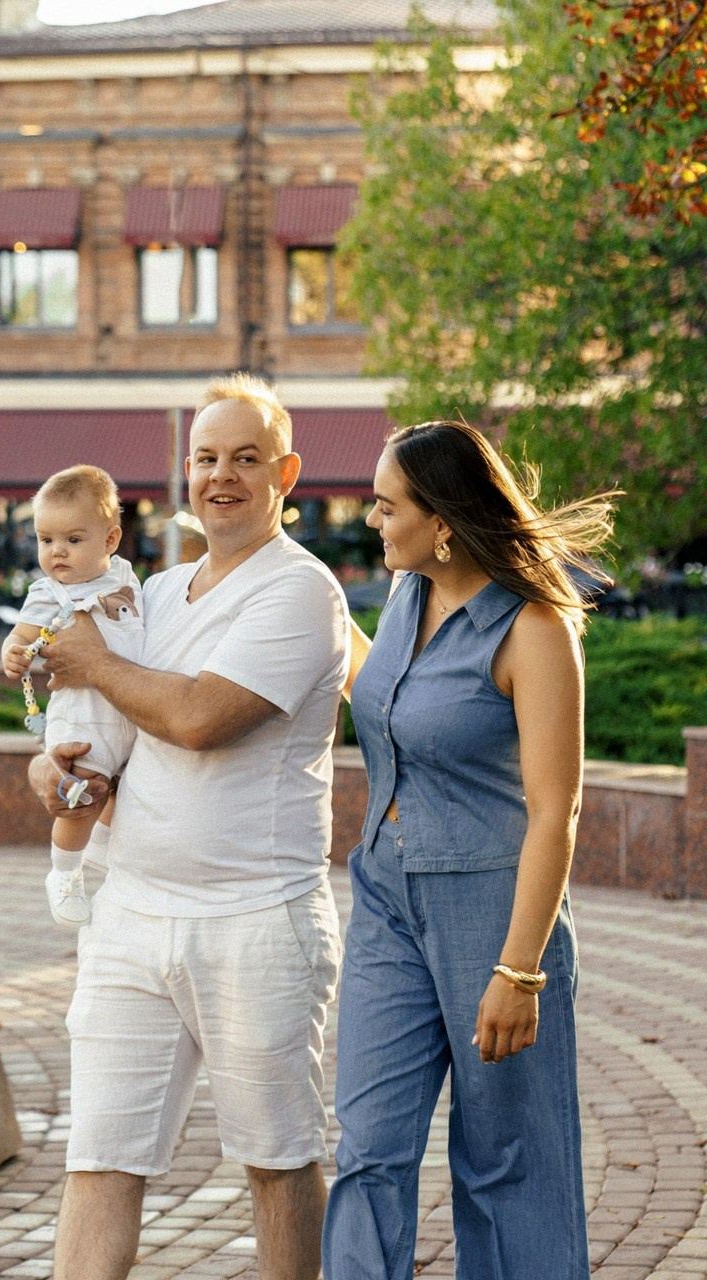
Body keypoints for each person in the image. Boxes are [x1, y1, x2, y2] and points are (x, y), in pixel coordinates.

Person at [30, 372, 350, 1280]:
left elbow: (203, 717)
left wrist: (89, 661)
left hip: (257, 920)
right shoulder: (156, 594)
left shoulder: (300, 592)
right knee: (98, 1157)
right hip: (129, 916)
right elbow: (106, 730)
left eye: (246, 459)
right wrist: (52, 768)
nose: (224, 476)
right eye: (207, 458)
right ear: (186, 472)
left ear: (284, 472)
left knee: (277, 1162)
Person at [322, 421, 616, 1280]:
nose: (371, 520)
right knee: (369, 1146)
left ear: (443, 519)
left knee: (506, 1165)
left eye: (385, 507)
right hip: (385, 899)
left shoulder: (533, 628)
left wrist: (519, 970)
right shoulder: (408, 592)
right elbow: (393, 700)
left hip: (495, 913)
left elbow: (555, 808)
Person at [1, 465, 143, 928]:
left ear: (110, 540)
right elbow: (19, 635)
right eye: (46, 540)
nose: (57, 552)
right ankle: (64, 874)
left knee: (118, 787)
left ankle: (99, 852)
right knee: (82, 793)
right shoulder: (50, 592)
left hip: (129, 709)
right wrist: (16, 654)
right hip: (81, 715)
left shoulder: (125, 578)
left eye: (73, 540)